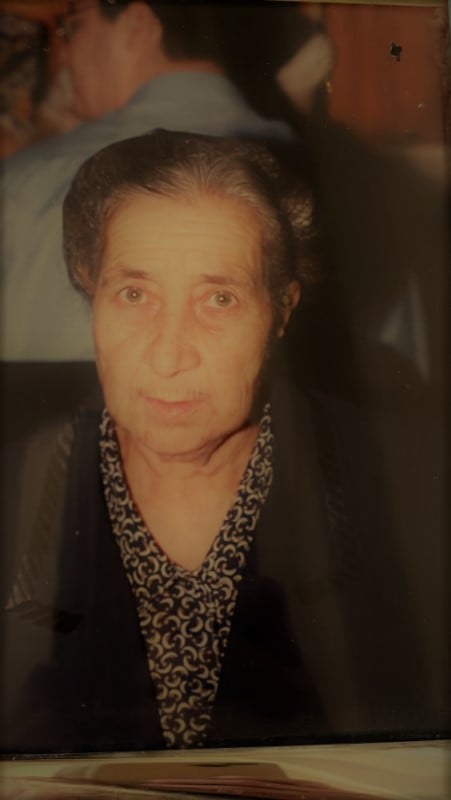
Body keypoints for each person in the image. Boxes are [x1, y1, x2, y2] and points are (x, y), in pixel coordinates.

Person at [1, 131, 444, 754]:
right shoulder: (16, 496)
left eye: (219, 299)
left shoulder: (415, 489)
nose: (167, 354)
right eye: (134, 294)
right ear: (90, 293)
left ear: (281, 309)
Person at [1, 0, 293, 362]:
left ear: (138, 23)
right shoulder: (334, 174)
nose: (62, 56)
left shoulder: (24, 182)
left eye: (72, 26)